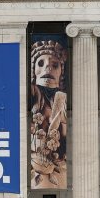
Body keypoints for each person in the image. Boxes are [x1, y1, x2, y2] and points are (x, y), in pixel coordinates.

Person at [29, 39, 68, 189]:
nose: (47, 68)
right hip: (35, 161)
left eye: (54, 65)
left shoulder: (60, 100)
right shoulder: (34, 93)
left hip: (55, 163)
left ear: (61, 73)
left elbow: (63, 138)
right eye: (41, 63)